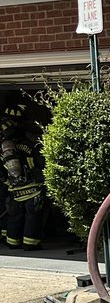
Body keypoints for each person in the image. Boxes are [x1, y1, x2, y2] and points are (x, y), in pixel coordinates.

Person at [1, 102, 44, 251]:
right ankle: (30, 244)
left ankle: (12, 243)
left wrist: (8, 183)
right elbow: (41, 164)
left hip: (15, 189)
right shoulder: (33, 146)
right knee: (32, 218)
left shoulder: (5, 149)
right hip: (33, 188)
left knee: (15, 217)